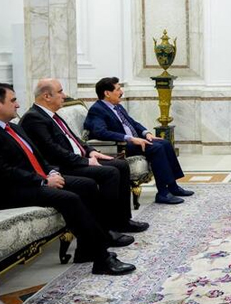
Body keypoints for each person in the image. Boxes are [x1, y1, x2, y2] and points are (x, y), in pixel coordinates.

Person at [0, 83, 135, 275]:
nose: (18, 105)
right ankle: (101, 258)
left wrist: (51, 173)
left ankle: (86, 250)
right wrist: (43, 181)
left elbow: (37, 157)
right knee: (69, 198)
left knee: (86, 185)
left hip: (27, 182)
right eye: (13, 100)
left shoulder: (13, 128)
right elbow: (1, 172)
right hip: (0, 192)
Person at [19, 78, 149, 234]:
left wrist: (91, 151)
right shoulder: (34, 118)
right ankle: (107, 227)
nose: (64, 95)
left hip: (74, 160)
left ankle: (122, 221)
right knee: (110, 172)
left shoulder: (51, 115)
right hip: (63, 166)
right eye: (60, 92)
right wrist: (86, 161)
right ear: (47, 96)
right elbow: (53, 151)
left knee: (121, 165)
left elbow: (74, 139)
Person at [84, 77, 193, 205]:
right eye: (118, 89)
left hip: (134, 141)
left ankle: (173, 187)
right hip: (122, 146)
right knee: (157, 148)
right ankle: (163, 193)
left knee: (165, 143)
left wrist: (146, 133)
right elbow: (100, 132)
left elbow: (133, 123)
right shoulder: (97, 110)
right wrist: (129, 138)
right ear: (107, 93)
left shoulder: (117, 107)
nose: (121, 92)